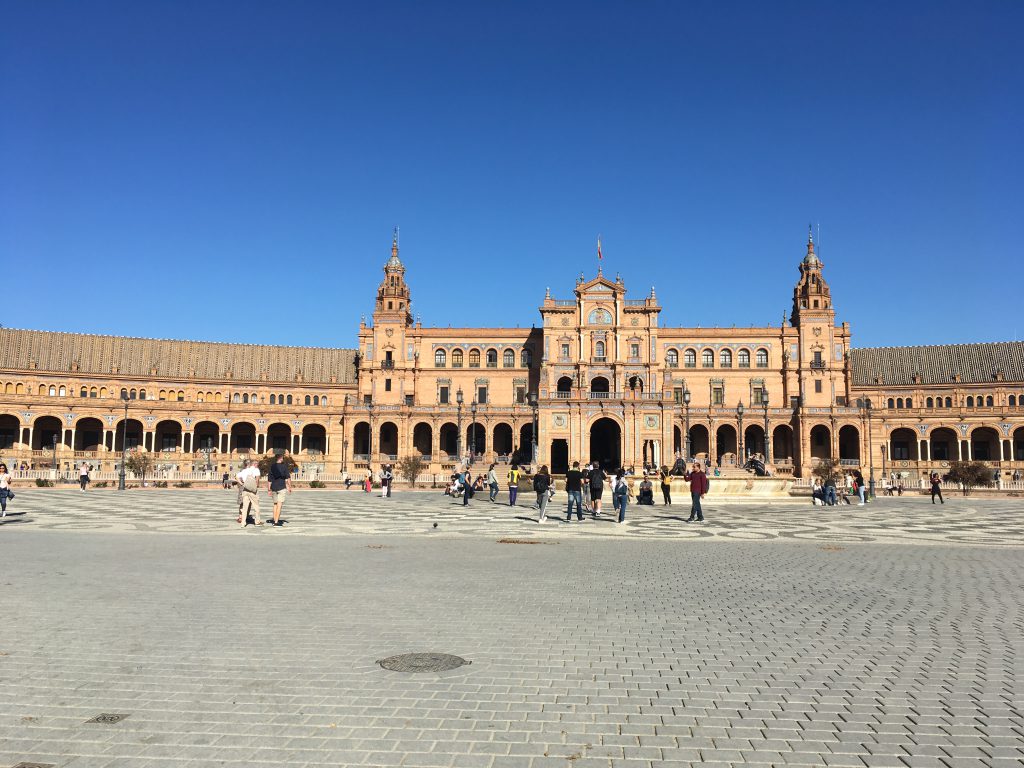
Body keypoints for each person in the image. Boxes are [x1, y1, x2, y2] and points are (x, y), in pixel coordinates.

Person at [236, 459, 263, 527]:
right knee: (256, 506)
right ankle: (257, 522)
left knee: (245, 507)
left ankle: (243, 523)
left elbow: (237, 476)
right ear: (254, 464)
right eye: (257, 464)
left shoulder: (245, 470)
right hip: (252, 490)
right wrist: (256, 487)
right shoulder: (256, 470)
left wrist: (241, 483)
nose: (258, 465)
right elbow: (257, 480)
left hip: (245, 490)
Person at [267, 455, 292, 526]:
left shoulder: (272, 467)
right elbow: (288, 477)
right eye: (282, 458)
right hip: (281, 487)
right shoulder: (284, 467)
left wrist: (269, 489)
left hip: (273, 487)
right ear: (280, 459)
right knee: (279, 504)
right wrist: (289, 487)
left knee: (275, 504)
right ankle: (276, 522)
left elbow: (269, 479)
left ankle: (274, 520)